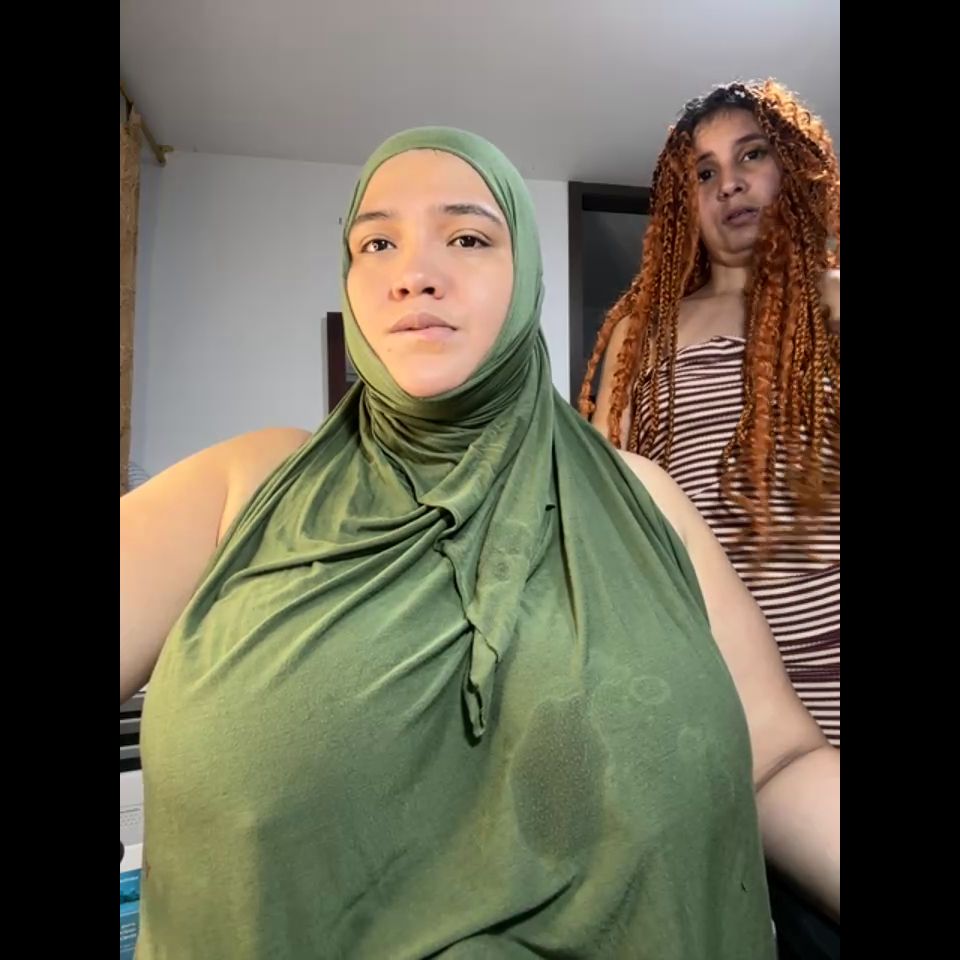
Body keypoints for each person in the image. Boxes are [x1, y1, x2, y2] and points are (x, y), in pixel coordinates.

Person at [121, 126, 838, 959]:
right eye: (376, 243)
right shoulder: (240, 488)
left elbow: (777, 762)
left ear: (526, 272)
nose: (414, 273)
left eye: (466, 237)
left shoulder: (644, 501)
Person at [579, 80, 840, 750]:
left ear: (793, 167)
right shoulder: (645, 331)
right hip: (705, 669)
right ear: (683, 204)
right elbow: (605, 498)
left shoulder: (834, 304)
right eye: (704, 172)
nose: (729, 184)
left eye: (752, 155)